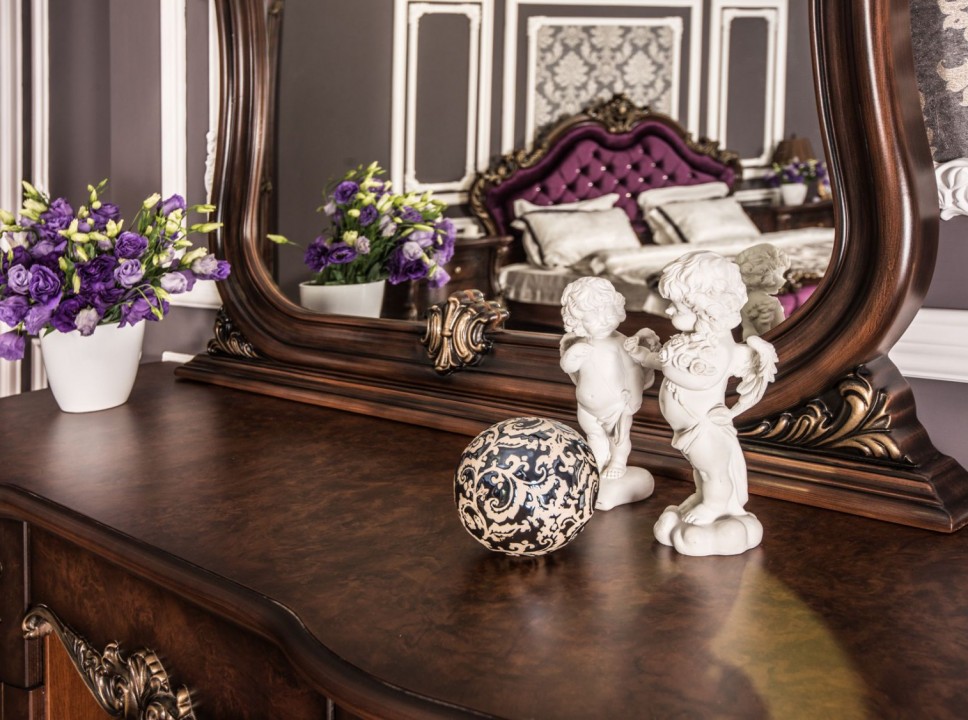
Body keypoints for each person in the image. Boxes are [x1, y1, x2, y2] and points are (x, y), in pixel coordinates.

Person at [628, 251, 776, 553]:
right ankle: (703, 496)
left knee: (713, 470)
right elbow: (667, 360)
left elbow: (702, 380)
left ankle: (716, 504)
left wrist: (668, 366)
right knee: (700, 469)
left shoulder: (718, 345)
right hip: (688, 427)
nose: (669, 310)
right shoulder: (692, 339)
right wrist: (645, 357)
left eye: (677, 305)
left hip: (704, 426)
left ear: (704, 307)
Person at [560, 278, 659, 508]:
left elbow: (634, 370)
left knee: (619, 438)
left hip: (617, 406)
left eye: (608, 312)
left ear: (617, 308)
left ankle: (618, 461)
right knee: (594, 435)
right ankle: (598, 463)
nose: (604, 320)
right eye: (593, 317)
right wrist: (572, 356)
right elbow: (569, 367)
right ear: (577, 321)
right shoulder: (580, 344)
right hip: (587, 408)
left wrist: (633, 398)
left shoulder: (622, 343)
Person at [735, 242, 791, 339]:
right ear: (764, 274)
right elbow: (782, 334)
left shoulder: (744, 299)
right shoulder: (771, 302)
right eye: (780, 274)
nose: (784, 280)